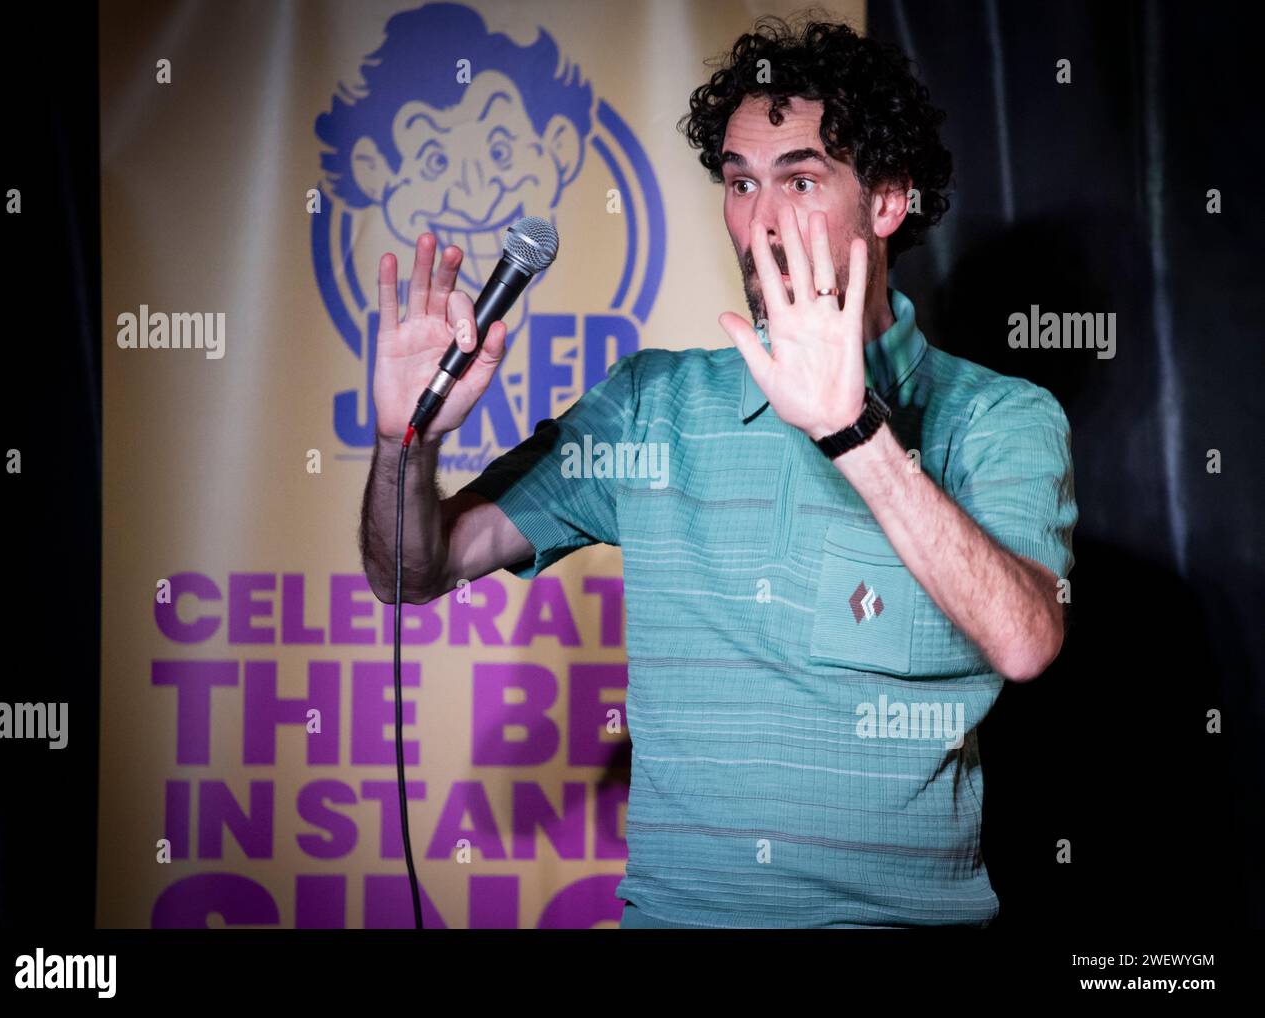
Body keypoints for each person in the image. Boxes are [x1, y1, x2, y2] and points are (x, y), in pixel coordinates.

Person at [359, 14, 1077, 929]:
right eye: (740, 183)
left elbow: (1025, 641)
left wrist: (855, 431)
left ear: (890, 200)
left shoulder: (1000, 417)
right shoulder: (653, 404)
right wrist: (403, 446)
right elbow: (413, 570)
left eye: (801, 179)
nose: (760, 219)